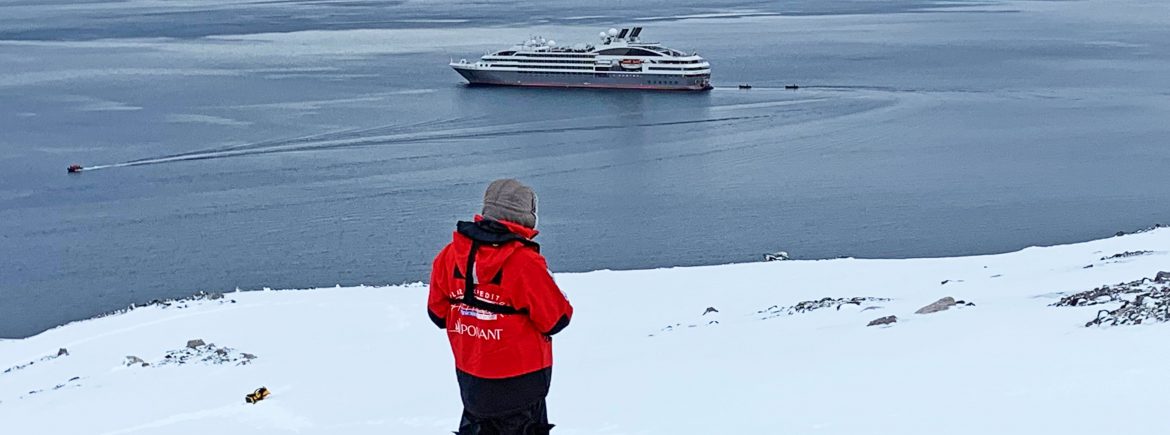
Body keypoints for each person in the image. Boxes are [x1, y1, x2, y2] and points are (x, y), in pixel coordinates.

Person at [428, 179, 574, 435]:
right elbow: (557, 319)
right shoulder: (524, 263)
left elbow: (437, 314)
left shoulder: (449, 255)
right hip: (521, 384)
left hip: (472, 381)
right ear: (527, 217)